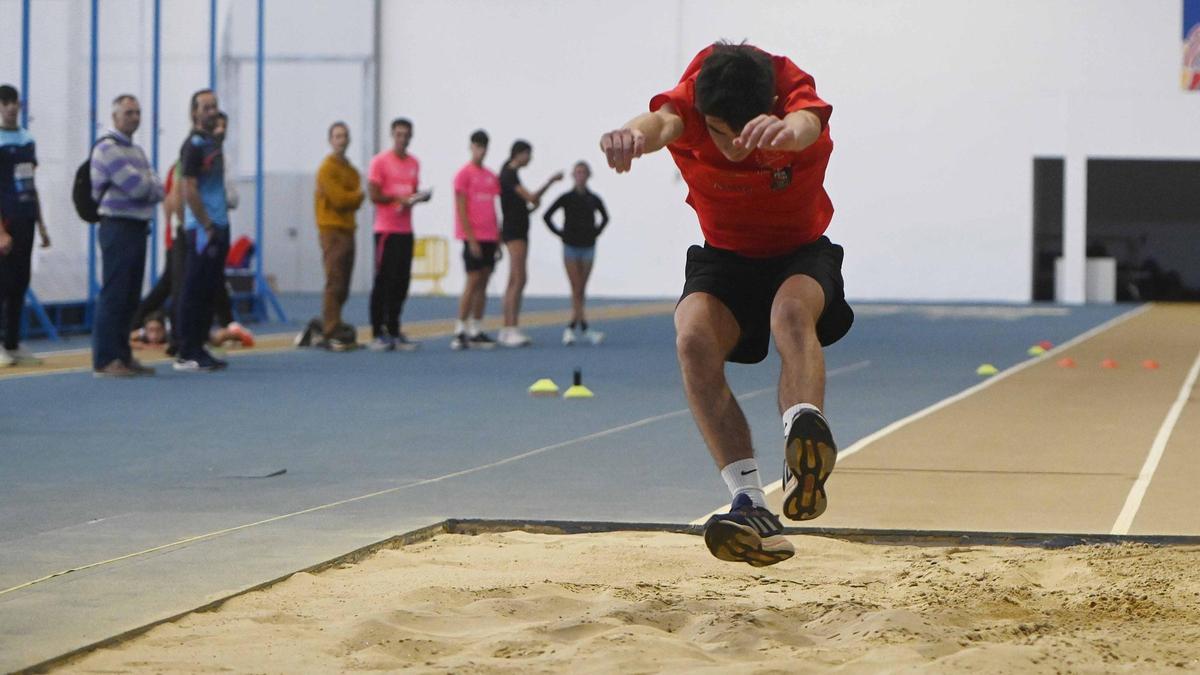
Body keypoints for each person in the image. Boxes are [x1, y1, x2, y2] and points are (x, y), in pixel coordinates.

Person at [599, 41, 854, 566]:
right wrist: (630, 138)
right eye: (721, 133)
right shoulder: (692, 103)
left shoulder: (789, 94)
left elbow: (811, 121)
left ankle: (804, 438)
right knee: (692, 337)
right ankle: (750, 501)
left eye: (745, 132)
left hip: (800, 252)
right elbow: (659, 123)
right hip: (725, 257)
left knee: (789, 315)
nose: (735, 147)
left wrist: (789, 130)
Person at [138, 111, 252, 353]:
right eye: (218, 127)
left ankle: (204, 336)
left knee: (208, 284)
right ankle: (182, 342)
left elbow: (230, 197)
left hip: (210, 229)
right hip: (192, 233)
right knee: (182, 288)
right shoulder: (191, 154)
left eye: (225, 127)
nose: (222, 132)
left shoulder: (219, 159)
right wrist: (184, 229)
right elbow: (177, 196)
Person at [89, 94, 165, 378]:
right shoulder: (108, 149)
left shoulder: (137, 151)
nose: (135, 117)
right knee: (114, 294)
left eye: (137, 112)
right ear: (115, 117)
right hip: (117, 227)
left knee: (130, 296)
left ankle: (123, 355)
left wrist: (147, 185)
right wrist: (148, 185)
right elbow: (139, 187)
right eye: (129, 112)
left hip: (136, 228)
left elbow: (159, 188)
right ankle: (105, 359)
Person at [175, 89, 231, 372]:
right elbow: (190, 189)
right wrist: (206, 224)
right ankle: (186, 351)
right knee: (195, 288)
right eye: (206, 107)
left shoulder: (212, 143)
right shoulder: (193, 145)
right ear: (195, 112)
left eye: (214, 107)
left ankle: (200, 345)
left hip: (220, 225)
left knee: (210, 288)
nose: (212, 111)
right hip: (202, 228)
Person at [366, 118, 430, 352]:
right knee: (384, 280)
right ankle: (376, 332)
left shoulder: (414, 163)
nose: (403, 139)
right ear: (392, 135)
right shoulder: (379, 162)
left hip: (405, 229)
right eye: (399, 134)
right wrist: (397, 199)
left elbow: (411, 192)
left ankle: (393, 328)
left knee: (402, 281)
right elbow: (374, 194)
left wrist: (418, 198)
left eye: (406, 135)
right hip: (386, 230)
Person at [0, 84, 51, 367]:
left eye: (14, 102)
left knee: (20, 281)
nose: (10, 107)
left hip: (25, 218)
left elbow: (31, 184)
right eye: (5, 102)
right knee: (3, 283)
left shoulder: (27, 139)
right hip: (5, 219)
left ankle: (12, 342)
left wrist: (42, 225)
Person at [497, 140, 562, 347]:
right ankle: (510, 327)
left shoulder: (510, 174)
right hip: (514, 231)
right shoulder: (509, 174)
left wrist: (531, 206)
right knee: (519, 278)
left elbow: (525, 203)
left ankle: (508, 327)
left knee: (514, 279)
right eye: (528, 154)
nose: (530, 159)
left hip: (518, 227)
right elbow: (531, 197)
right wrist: (550, 182)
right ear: (519, 154)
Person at [543, 161, 609, 346]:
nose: (580, 176)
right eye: (577, 172)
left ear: (588, 175)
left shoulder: (593, 198)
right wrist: (561, 234)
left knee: (581, 288)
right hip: (570, 246)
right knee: (576, 287)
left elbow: (605, 217)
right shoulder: (566, 198)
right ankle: (577, 326)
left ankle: (576, 327)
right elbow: (547, 216)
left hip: (588, 246)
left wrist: (596, 232)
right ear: (573, 175)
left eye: (583, 172)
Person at [313, 121, 365, 351]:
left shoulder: (351, 170)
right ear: (330, 140)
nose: (341, 140)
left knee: (344, 281)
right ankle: (330, 329)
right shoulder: (326, 169)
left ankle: (334, 320)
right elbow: (341, 199)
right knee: (334, 280)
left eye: (344, 136)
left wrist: (352, 197)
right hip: (331, 230)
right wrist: (354, 197)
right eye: (337, 136)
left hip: (348, 229)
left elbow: (354, 196)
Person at [450, 130, 501, 351]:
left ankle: (476, 328)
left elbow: (493, 208)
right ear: (471, 147)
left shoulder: (491, 176)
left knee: (484, 281)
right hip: (473, 236)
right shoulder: (464, 174)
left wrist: (498, 239)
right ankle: (460, 328)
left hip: (490, 236)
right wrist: (470, 239)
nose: (480, 151)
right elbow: (461, 208)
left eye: (484, 147)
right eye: (477, 146)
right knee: (472, 280)